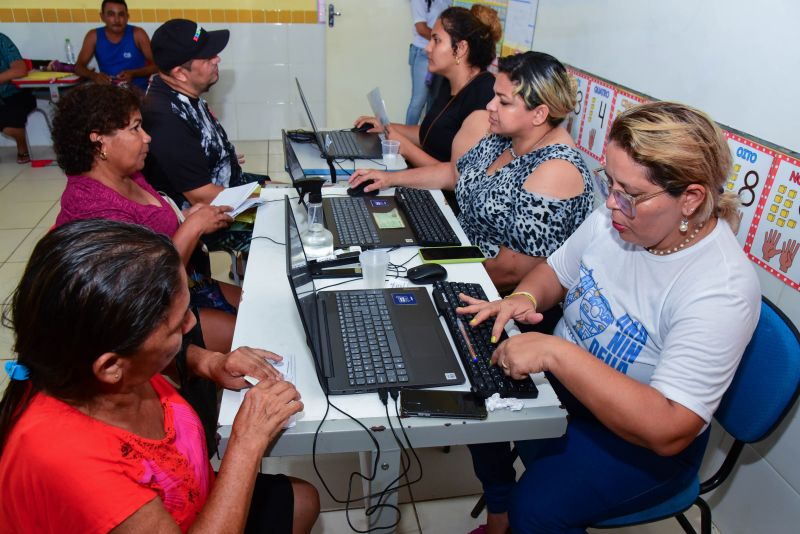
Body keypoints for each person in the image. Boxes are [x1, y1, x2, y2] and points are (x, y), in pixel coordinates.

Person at [460, 101, 761, 534]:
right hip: (573, 391)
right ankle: (499, 516)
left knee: (540, 508)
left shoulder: (720, 288)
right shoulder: (618, 217)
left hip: (641, 441)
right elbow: (554, 271)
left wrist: (555, 352)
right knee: (473, 379)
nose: (612, 203)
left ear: (691, 199)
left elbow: (670, 427)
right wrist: (523, 296)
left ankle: (515, 514)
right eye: (610, 183)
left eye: (630, 194)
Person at [0, 219, 320, 533]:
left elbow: (151, 359)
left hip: (195, 501)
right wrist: (247, 442)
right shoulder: (72, 462)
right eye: (177, 323)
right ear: (111, 365)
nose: (192, 325)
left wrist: (208, 362)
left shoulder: (90, 364)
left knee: (301, 500)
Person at [352, 52, 594, 295]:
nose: (490, 106)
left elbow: (512, 272)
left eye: (504, 101)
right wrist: (390, 179)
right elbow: (454, 173)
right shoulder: (506, 137)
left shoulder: (556, 170)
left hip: (487, 292)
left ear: (539, 114)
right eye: (493, 97)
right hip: (457, 258)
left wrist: (438, 286)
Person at [52, 83, 240, 356]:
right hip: (146, 320)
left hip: (184, 286)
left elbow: (155, 227)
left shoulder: (128, 174)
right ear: (99, 141)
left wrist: (188, 216)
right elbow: (144, 287)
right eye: (135, 128)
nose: (147, 137)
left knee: (259, 307)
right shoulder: (92, 207)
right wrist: (193, 227)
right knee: (251, 332)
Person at [142, 18, 267, 210]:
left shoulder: (183, 92)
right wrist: (268, 198)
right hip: (215, 215)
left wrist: (222, 155)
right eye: (208, 57)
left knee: (303, 190)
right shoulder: (166, 119)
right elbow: (203, 197)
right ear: (180, 73)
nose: (218, 59)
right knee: (287, 205)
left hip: (229, 185)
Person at [355, 5, 502, 168]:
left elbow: (456, 177)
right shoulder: (449, 83)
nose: (427, 48)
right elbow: (430, 134)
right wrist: (386, 127)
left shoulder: (484, 95)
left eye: (436, 40)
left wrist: (404, 147)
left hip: (443, 192)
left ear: (460, 48)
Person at [74, 0, 158, 92]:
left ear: (127, 17)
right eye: (111, 14)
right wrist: (95, 76)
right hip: (109, 93)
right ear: (102, 16)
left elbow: (158, 65)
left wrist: (134, 73)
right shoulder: (93, 36)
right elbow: (78, 67)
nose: (117, 20)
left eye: (121, 14)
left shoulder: (138, 34)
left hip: (138, 92)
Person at [405, 0, 451, 125]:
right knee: (418, 101)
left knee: (435, 101)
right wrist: (444, 40)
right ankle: (406, 138)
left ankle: (426, 139)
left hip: (442, 53)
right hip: (423, 52)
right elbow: (421, 28)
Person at [0, 33, 36, 164]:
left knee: (9, 125)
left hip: (13, 93)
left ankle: (22, 146)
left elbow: (20, 70)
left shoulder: (1, 40)